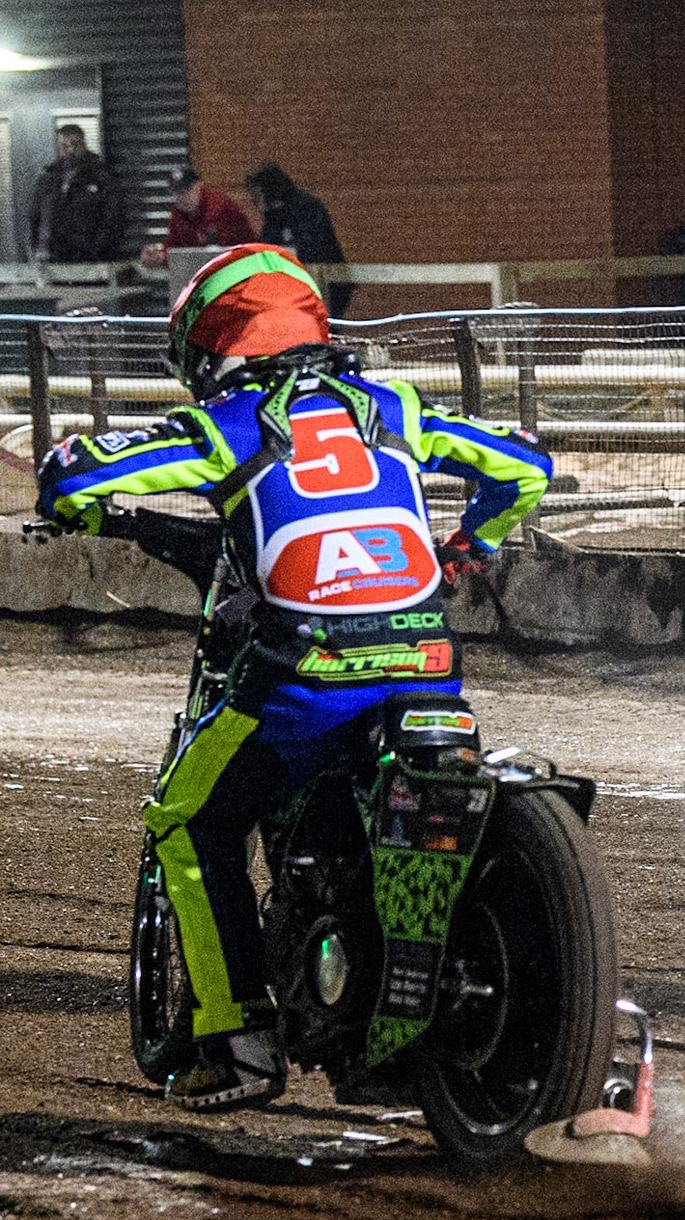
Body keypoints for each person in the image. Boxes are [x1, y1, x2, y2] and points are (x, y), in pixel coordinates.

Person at [34, 244, 551, 1109]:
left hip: (303, 676)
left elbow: (78, 475)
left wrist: (67, 486)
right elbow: (525, 466)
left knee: (187, 818)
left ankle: (237, 1041)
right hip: (427, 665)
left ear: (215, 349)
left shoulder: (226, 425)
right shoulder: (395, 408)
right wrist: (473, 545)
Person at [245, 163, 353, 318]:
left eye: (257, 194)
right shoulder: (274, 214)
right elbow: (266, 245)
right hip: (294, 283)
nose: (255, 201)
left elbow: (311, 247)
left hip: (325, 281)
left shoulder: (305, 207)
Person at [26, 124, 122, 264]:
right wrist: (35, 252)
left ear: (84, 145)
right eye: (64, 146)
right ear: (58, 149)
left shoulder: (101, 177)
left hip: (90, 261)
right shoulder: (47, 180)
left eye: (75, 144)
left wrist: (98, 250)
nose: (70, 150)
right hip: (53, 260)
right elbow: (34, 219)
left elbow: (114, 218)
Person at [140, 167, 256, 267]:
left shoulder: (217, 207)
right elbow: (174, 248)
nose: (182, 197)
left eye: (186, 190)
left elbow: (214, 255)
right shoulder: (178, 212)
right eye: (176, 192)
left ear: (198, 186)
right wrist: (160, 256)